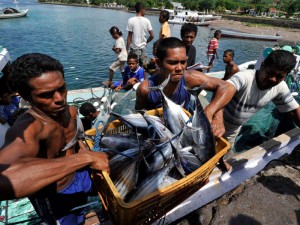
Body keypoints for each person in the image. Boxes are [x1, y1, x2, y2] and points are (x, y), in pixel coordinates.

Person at [0, 53, 110, 225]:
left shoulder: (71, 112)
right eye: (46, 95)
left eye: (62, 88)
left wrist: (83, 151)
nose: (59, 99)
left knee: (85, 211)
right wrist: (85, 158)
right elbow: (4, 179)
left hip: (78, 177)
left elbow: (76, 141)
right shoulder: (29, 128)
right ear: (25, 96)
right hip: (55, 196)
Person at [135, 37, 231, 138]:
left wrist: (215, 115)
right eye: (173, 63)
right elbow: (139, 117)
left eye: (183, 62)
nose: (180, 68)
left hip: (186, 128)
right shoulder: (145, 89)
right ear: (159, 63)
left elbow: (226, 87)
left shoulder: (189, 78)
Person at [213, 50, 300, 149]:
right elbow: (220, 91)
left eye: (279, 77)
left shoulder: (280, 87)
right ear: (263, 65)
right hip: (214, 123)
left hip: (233, 130)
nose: (273, 79)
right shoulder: (244, 77)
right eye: (270, 73)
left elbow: (293, 111)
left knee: (223, 155)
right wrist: (217, 119)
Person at [126, 2, 154, 67]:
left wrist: (126, 50)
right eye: (144, 10)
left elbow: (129, 37)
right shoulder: (147, 21)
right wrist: (146, 42)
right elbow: (152, 35)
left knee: (134, 68)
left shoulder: (131, 20)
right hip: (143, 49)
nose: (145, 11)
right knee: (144, 68)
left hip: (134, 49)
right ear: (142, 9)